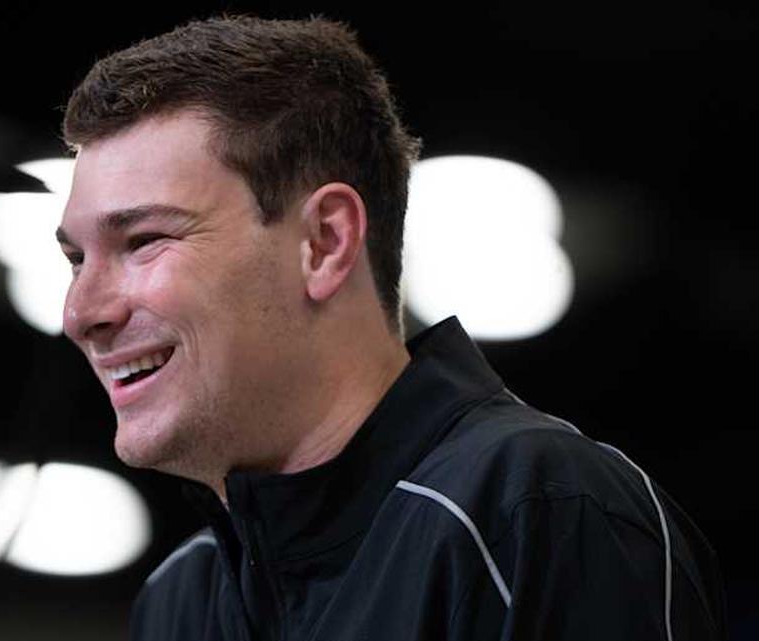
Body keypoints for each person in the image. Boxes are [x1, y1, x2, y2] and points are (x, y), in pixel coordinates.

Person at [54, 15, 726, 641]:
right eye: (76, 258)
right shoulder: (179, 598)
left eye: (143, 240)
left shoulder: (541, 512)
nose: (81, 312)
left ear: (323, 241)